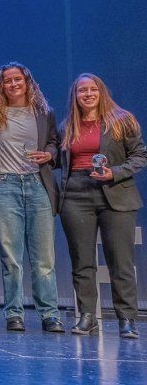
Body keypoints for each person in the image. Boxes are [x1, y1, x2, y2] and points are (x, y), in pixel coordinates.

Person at [58, 73, 146, 339]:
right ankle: (87, 316)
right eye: (82, 90)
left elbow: (140, 155)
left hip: (115, 194)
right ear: (75, 96)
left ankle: (126, 319)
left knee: (120, 261)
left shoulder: (122, 120)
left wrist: (114, 173)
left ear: (101, 92)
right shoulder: (67, 126)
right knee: (82, 260)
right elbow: (61, 160)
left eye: (93, 89)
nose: (88, 94)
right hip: (76, 195)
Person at [0, 62, 63, 333]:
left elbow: (54, 142)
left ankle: (49, 314)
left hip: (38, 185)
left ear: (27, 82)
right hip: (5, 186)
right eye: (7, 81)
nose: (13, 84)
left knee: (44, 259)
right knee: (11, 259)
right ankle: (14, 314)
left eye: (18, 79)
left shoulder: (43, 112)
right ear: (0, 86)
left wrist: (49, 154)